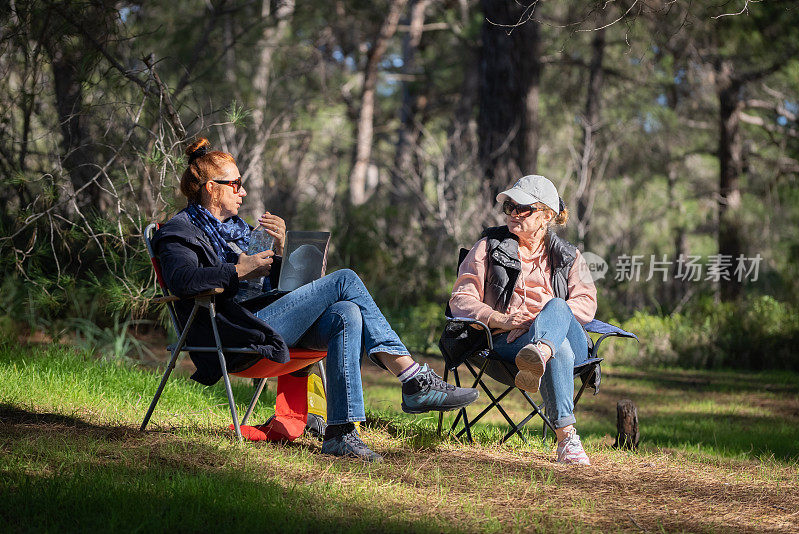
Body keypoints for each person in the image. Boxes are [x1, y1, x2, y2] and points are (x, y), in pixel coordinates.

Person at [152, 138, 478, 462]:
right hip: (232, 334)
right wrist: (239, 269)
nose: (244, 191)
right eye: (236, 184)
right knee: (346, 278)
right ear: (212, 188)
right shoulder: (179, 232)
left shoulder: (237, 231)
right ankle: (412, 379)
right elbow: (182, 281)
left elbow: (277, 284)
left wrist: (281, 249)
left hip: (262, 318)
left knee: (346, 313)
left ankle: (341, 434)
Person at [448, 175, 597, 465]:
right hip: (507, 342)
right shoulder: (488, 247)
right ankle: (567, 439)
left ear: (546, 215)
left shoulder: (569, 256)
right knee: (559, 350)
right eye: (510, 207)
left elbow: (586, 304)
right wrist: (501, 319)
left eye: (523, 208)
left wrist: (540, 321)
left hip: (556, 335)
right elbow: (460, 301)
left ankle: (541, 351)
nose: (513, 213)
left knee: (557, 307)